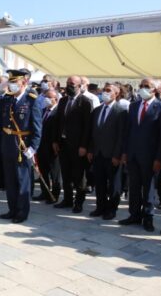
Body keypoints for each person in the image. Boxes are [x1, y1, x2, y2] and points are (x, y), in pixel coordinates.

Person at [120, 77, 161, 232]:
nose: (142, 88)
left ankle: (148, 217)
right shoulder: (134, 106)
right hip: (133, 154)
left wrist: (159, 158)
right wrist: (125, 152)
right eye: (141, 86)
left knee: (148, 188)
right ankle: (134, 215)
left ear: (154, 89)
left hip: (150, 156)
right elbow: (128, 131)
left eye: (146, 86)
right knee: (134, 187)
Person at [0, 69, 42, 223]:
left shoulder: (32, 100)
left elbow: (37, 127)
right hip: (8, 144)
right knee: (10, 180)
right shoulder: (8, 99)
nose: (11, 85)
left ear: (24, 82)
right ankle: (12, 209)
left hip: (23, 146)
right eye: (10, 82)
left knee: (22, 180)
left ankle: (22, 212)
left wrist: (33, 148)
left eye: (14, 82)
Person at [52, 75, 93, 213]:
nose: (69, 86)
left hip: (77, 146)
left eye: (73, 84)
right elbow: (58, 122)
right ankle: (67, 199)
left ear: (80, 86)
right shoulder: (63, 101)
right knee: (66, 174)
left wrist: (84, 146)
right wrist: (56, 141)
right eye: (68, 83)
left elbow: (88, 126)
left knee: (79, 176)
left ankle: (79, 202)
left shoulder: (85, 102)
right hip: (63, 143)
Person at [87, 83, 127, 220]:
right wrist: (91, 150)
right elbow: (93, 132)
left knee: (114, 185)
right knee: (100, 183)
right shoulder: (97, 110)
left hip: (112, 155)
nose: (105, 92)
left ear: (116, 94)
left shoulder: (121, 111)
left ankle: (111, 209)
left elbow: (121, 136)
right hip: (98, 153)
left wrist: (117, 155)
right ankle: (100, 207)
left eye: (109, 91)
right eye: (104, 90)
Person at [36, 89, 61, 203]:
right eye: (45, 96)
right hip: (41, 146)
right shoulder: (42, 111)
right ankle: (44, 192)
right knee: (43, 171)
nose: (46, 99)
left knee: (54, 173)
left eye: (49, 97)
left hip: (52, 147)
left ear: (55, 99)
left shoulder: (59, 112)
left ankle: (54, 195)